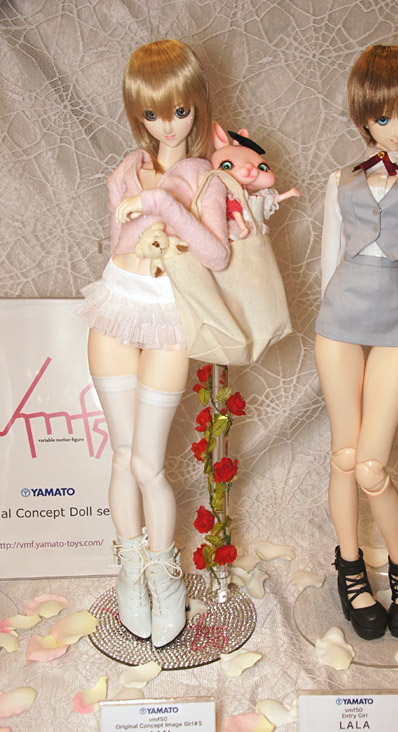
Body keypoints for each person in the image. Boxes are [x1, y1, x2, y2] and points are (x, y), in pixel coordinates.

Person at [79, 39, 229, 647]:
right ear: (138, 114)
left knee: (148, 462)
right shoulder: (126, 170)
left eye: (179, 111)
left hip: (168, 321)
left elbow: (216, 255)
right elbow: (118, 244)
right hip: (116, 309)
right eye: (152, 114)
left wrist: (164, 202)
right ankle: (129, 572)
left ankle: (165, 577)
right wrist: (137, 208)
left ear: (196, 107)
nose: (168, 126)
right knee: (121, 456)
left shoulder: (206, 178)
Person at [315, 44, 398, 640]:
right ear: (363, 115)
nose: (397, 129)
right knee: (345, 455)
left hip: (397, 324)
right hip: (340, 320)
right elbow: (328, 261)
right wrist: (327, 317)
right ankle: (350, 568)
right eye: (385, 117)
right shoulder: (339, 181)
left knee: (371, 466)